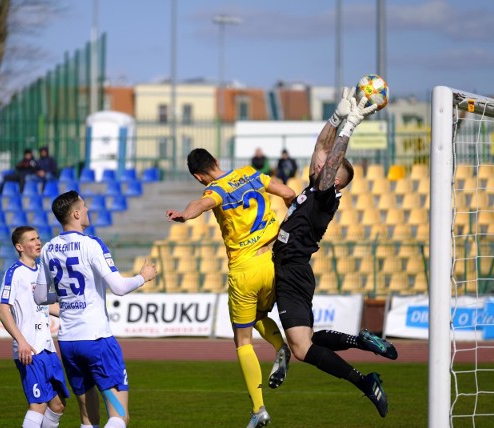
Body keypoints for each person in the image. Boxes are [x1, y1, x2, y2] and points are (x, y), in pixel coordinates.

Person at [272, 87, 398, 419]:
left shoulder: (327, 196)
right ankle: (362, 342)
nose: (320, 162)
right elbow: (321, 149)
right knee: (306, 341)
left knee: (301, 348)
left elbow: (328, 164)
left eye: (329, 165)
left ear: (337, 180)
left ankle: (364, 381)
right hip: (287, 268)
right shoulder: (314, 188)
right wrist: (335, 117)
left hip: (292, 270)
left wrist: (350, 126)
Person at [166, 148, 296, 428]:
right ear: (216, 161)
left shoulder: (215, 190)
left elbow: (200, 205)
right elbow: (288, 192)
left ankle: (259, 408)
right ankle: (280, 347)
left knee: (243, 341)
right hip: (274, 260)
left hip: (245, 270)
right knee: (260, 316)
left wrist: (184, 216)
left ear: (198, 176)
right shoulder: (250, 173)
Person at [33, 190, 158, 428]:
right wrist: (143, 277)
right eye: (85, 206)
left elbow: (40, 296)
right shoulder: (91, 244)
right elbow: (119, 287)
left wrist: (67, 298)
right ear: (77, 214)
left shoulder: (48, 249)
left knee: (89, 420)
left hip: (69, 342)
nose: (88, 209)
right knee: (119, 416)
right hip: (97, 340)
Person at [0, 226, 69, 428]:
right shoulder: (15, 273)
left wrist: (74, 311)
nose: (38, 242)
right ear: (19, 246)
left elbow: (45, 305)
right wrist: (21, 342)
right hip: (29, 349)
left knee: (58, 405)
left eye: (38, 238)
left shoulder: (41, 272)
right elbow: (3, 310)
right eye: (31, 239)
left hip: (47, 348)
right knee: (38, 404)